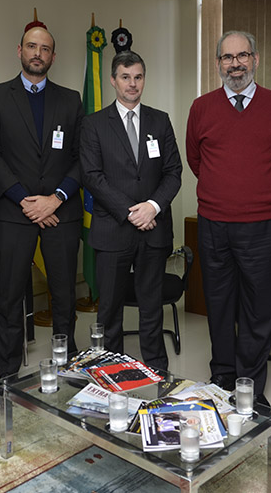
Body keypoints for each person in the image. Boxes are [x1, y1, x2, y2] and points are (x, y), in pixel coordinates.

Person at [186, 30, 271, 406]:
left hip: (261, 226)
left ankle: (250, 384)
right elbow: (196, 160)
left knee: (258, 307)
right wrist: (226, 191)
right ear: (218, 63)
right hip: (214, 224)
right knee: (218, 303)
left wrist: (257, 192)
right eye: (227, 57)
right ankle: (221, 377)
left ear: (255, 59)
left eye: (242, 56)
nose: (235, 64)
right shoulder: (202, 107)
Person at [0, 26, 85, 383]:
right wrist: (24, 200)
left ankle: (68, 371)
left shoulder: (70, 100)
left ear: (54, 57)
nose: (38, 53)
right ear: (19, 50)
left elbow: (81, 157)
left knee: (65, 298)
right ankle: (8, 375)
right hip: (13, 213)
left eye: (45, 49)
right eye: (31, 46)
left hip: (61, 213)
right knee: (9, 300)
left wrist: (55, 199)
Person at [80, 51, 182, 371]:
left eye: (138, 77)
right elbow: (92, 176)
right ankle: (113, 371)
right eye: (125, 77)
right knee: (110, 310)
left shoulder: (160, 120)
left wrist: (152, 207)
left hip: (154, 231)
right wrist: (130, 211)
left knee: (152, 308)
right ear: (113, 80)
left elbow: (173, 172)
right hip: (114, 230)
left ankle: (156, 371)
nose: (132, 84)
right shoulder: (94, 124)